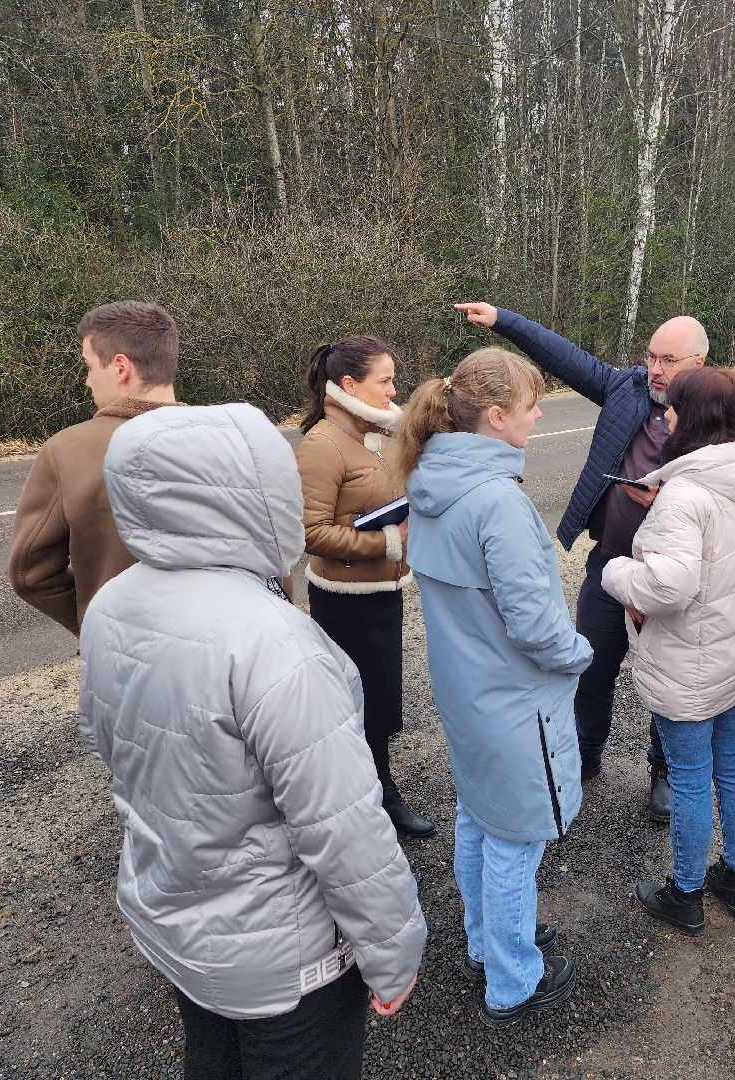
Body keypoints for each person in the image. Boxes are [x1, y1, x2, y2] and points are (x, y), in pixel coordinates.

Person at [79, 402, 427, 1080]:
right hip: (287, 963)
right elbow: (343, 826)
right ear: (253, 494)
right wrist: (395, 953)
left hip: (176, 925)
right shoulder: (278, 644)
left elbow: (115, 750)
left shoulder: (111, 606)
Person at [396, 347, 592, 1028]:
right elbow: (536, 627)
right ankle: (513, 981)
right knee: (516, 838)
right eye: (533, 403)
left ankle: (487, 945)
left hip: (466, 691)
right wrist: (581, 651)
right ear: (498, 417)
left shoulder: (426, 482)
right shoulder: (495, 502)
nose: (541, 414)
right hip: (513, 701)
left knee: (478, 817)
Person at [454, 300, 708, 822]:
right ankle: (583, 752)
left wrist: (667, 499)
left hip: (670, 576)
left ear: (698, 365)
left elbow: (728, 494)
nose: (655, 369)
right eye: (651, 356)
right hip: (608, 566)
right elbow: (563, 356)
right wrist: (504, 319)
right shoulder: (626, 388)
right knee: (591, 666)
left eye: (669, 361)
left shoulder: (713, 414)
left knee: (664, 677)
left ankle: (663, 770)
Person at [600, 368, 735, 935]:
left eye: (673, 409)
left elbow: (668, 586)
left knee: (688, 774)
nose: (666, 417)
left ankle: (685, 893)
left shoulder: (686, 493)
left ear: (696, 418)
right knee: (732, 762)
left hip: (690, 660)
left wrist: (617, 572)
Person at [294, 334, 432, 838]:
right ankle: (372, 799)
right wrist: (388, 542)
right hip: (345, 601)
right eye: (386, 381)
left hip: (381, 593)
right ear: (348, 384)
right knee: (359, 703)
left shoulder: (373, 436)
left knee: (379, 699)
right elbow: (309, 532)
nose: (395, 391)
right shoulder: (322, 444)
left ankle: (375, 789)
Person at [9, 300, 186, 633]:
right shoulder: (231, 440)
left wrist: (96, 622)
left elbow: (29, 574)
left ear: (121, 367)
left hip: (125, 655)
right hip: (223, 657)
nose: (87, 381)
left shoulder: (66, 451)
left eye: (88, 367)